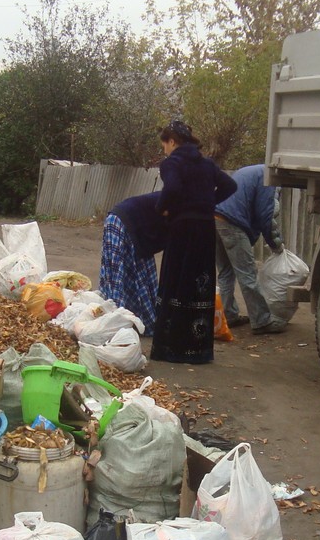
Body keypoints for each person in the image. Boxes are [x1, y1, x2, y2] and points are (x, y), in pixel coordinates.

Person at [150, 120, 236, 364]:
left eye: (164, 144)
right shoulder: (206, 164)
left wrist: (163, 208)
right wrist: (207, 203)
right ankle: (197, 351)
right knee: (199, 284)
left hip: (182, 229)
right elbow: (230, 185)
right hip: (205, 229)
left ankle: (171, 349)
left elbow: (173, 187)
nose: (164, 150)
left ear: (172, 141)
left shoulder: (172, 163)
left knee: (175, 283)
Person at [215, 164, 286, 335]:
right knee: (248, 274)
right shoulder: (269, 179)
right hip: (231, 221)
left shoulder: (253, 171)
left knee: (225, 272)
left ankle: (229, 315)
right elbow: (265, 215)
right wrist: (276, 244)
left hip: (214, 217)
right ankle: (262, 321)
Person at [99, 191, 167, 336]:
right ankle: (115, 323)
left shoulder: (181, 205)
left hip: (140, 232)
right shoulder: (174, 200)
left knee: (143, 276)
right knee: (118, 275)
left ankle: (138, 319)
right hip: (120, 221)